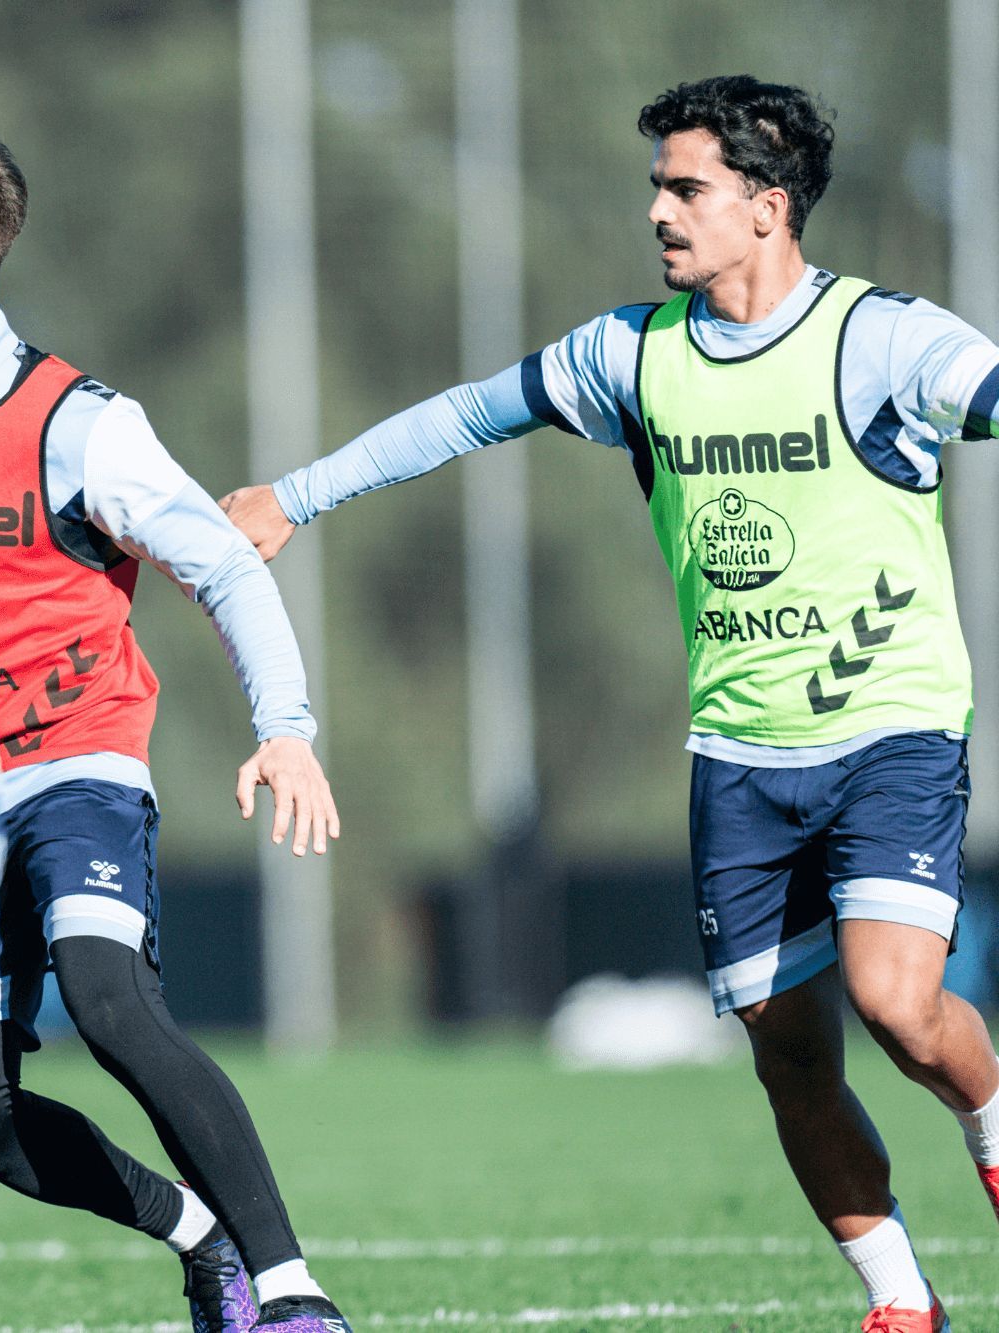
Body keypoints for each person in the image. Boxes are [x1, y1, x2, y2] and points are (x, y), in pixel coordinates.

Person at [224, 75, 999, 1333]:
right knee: (787, 1059)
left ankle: (989, 1126)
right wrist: (290, 497)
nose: (656, 210)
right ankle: (903, 1306)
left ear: (766, 206)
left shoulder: (882, 339)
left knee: (896, 1003)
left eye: (683, 187)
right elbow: (464, 415)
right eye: (655, 185)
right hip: (737, 755)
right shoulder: (629, 352)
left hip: (888, 731)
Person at [0, 126, 347, 1333]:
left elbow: (221, 569)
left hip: (74, 759)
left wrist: (287, 727)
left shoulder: (79, 423)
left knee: (105, 992)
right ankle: (197, 1234)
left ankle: (289, 1289)